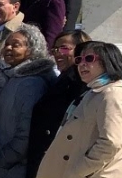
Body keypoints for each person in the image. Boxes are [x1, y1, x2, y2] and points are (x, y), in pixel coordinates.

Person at [38, 41, 122, 176]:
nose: (82, 64)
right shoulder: (94, 91)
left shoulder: (112, 93)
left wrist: (78, 171)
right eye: (79, 60)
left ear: (108, 62)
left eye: (89, 59)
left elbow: (110, 142)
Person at [0, 24, 55, 178]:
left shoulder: (32, 83)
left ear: (31, 50)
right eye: (7, 44)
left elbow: (26, 133)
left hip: (14, 168)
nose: (8, 48)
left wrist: (2, 160)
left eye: (15, 45)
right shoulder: (14, 76)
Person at [27, 30, 92, 178]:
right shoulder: (60, 80)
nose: (57, 53)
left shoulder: (81, 84)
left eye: (64, 48)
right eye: (55, 49)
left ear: (82, 50)